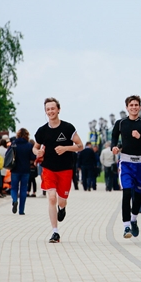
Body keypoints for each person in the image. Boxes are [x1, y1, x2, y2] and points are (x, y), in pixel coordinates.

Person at [33, 97, 84, 243]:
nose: (50, 111)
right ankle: (55, 232)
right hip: (48, 168)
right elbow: (35, 147)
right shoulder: (42, 131)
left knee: (61, 201)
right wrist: (37, 152)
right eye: (47, 109)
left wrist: (66, 148)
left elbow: (80, 146)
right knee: (51, 198)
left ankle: (62, 209)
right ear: (45, 111)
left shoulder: (68, 128)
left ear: (58, 110)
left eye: (52, 108)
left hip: (66, 169)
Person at [111, 95, 141, 239]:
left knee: (138, 195)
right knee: (126, 192)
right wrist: (114, 147)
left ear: (140, 107)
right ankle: (126, 227)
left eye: (136, 105)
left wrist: (140, 137)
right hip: (125, 162)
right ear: (127, 107)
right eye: (131, 105)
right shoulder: (120, 123)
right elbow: (114, 137)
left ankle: (134, 219)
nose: (134, 107)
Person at [10, 128, 36, 215]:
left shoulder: (13, 144)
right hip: (26, 170)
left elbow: (7, 155)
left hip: (15, 169)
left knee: (14, 188)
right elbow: (33, 157)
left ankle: (14, 200)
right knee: (23, 190)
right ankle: (21, 211)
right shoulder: (29, 145)